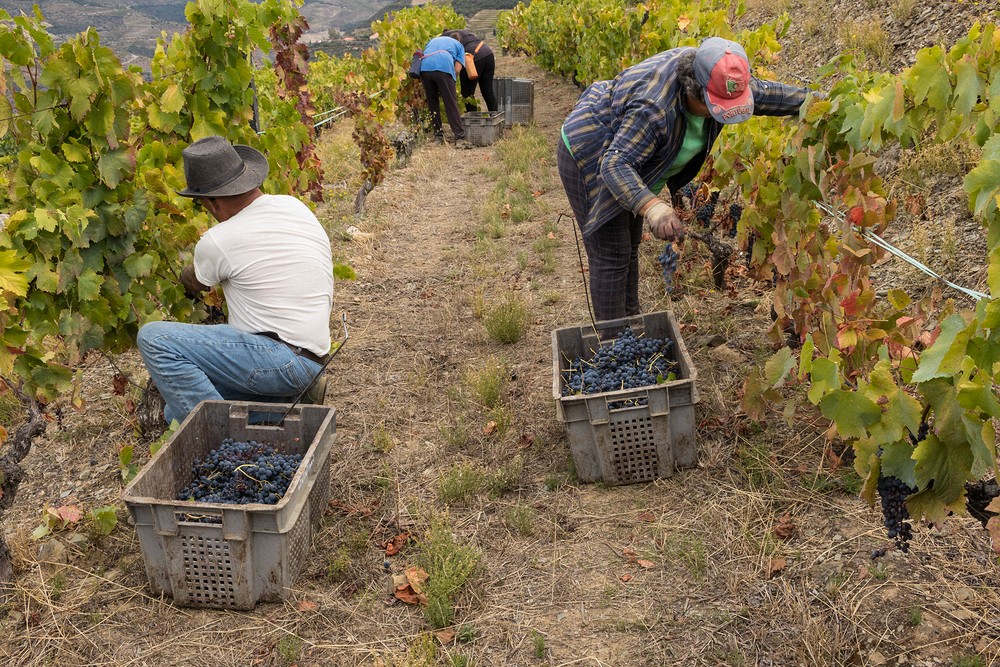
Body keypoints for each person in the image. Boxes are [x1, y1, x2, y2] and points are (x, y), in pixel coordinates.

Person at [558, 37, 819, 322]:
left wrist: (820, 102)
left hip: (631, 155)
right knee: (612, 253)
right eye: (716, 106)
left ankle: (629, 326)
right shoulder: (654, 108)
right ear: (693, 90)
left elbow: (770, 96)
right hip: (592, 150)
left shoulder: (721, 78)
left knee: (628, 247)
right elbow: (616, 164)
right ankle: (611, 349)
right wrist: (654, 208)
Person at [137, 135, 334, 425]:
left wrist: (186, 272)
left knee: (155, 338)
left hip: (276, 360)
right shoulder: (294, 207)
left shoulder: (218, 240)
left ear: (213, 203)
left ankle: (223, 437)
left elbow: (197, 282)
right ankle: (292, 404)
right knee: (175, 412)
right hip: (314, 360)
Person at [418, 34, 468, 146]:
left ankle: (438, 137)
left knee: (432, 103)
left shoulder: (433, 40)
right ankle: (459, 138)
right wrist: (450, 86)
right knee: (450, 103)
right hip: (443, 67)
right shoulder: (459, 45)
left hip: (425, 68)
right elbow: (457, 70)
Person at [442, 28, 498, 113]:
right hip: (488, 53)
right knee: (488, 91)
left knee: (467, 94)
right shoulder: (462, 32)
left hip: (472, 58)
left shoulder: (442, 38)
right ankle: (495, 118)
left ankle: (473, 121)